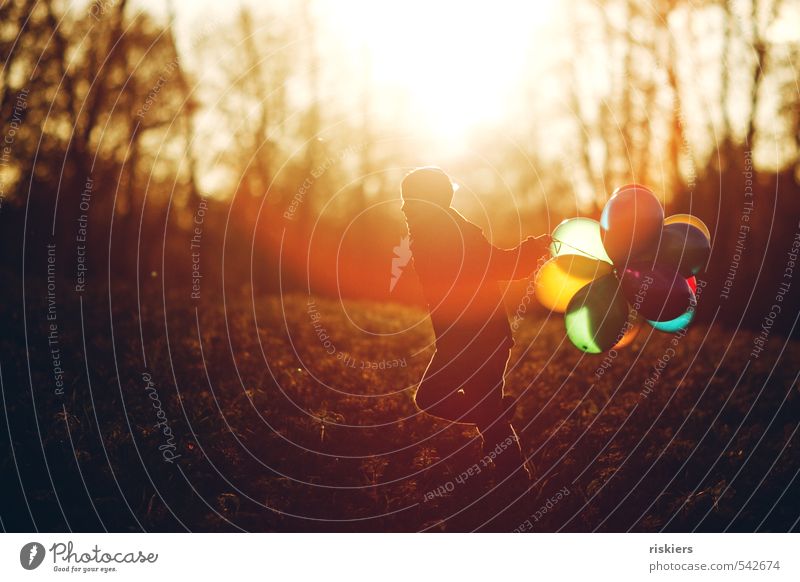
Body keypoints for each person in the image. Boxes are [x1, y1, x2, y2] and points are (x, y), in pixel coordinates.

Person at [401, 167, 549, 484]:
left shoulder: (452, 233)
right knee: (485, 410)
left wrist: (532, 249)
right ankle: (516, 476)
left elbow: (497, 265)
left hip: (477, 339)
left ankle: (506, 450)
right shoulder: (430, 233)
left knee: (430, 397)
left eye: (409, 200)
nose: (403, 208)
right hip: (467, 339)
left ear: (429, 201)